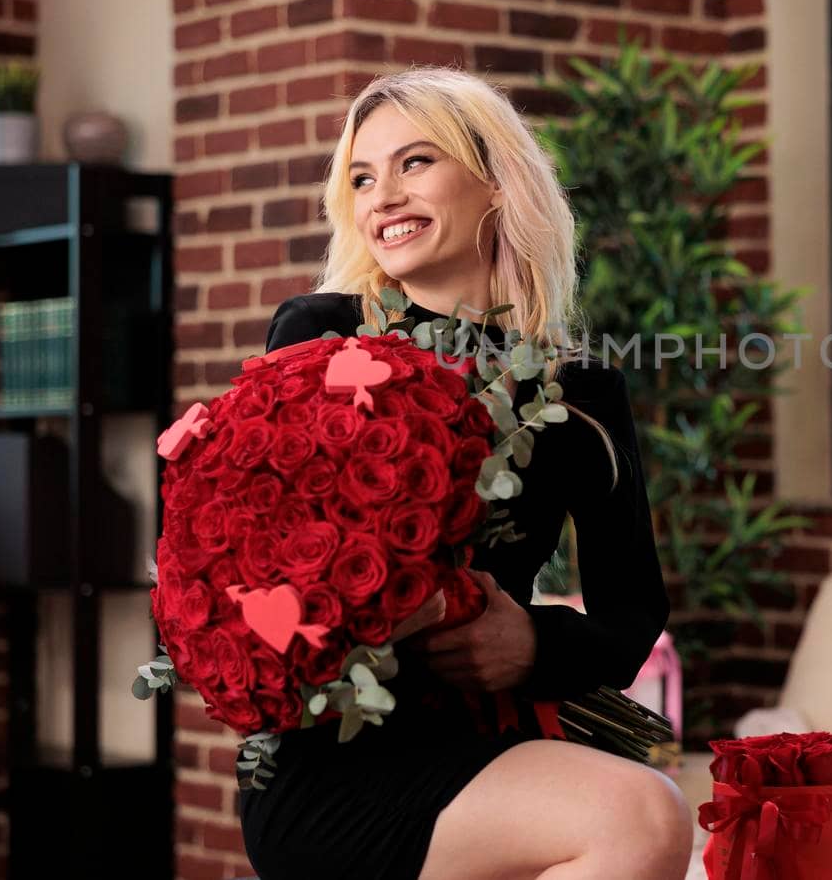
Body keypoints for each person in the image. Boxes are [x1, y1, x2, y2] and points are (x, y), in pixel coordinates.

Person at [237, 66, 695, 880]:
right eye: (362, 177)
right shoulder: (322, 334)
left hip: (499, 739)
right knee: (642, 813)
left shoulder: (583, 389)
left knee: (646, 804)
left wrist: (530, 643)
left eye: (415, 163)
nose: (383, 196)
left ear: (492, 181)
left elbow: (634, 613)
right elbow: (270, 551)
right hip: (341, 755)